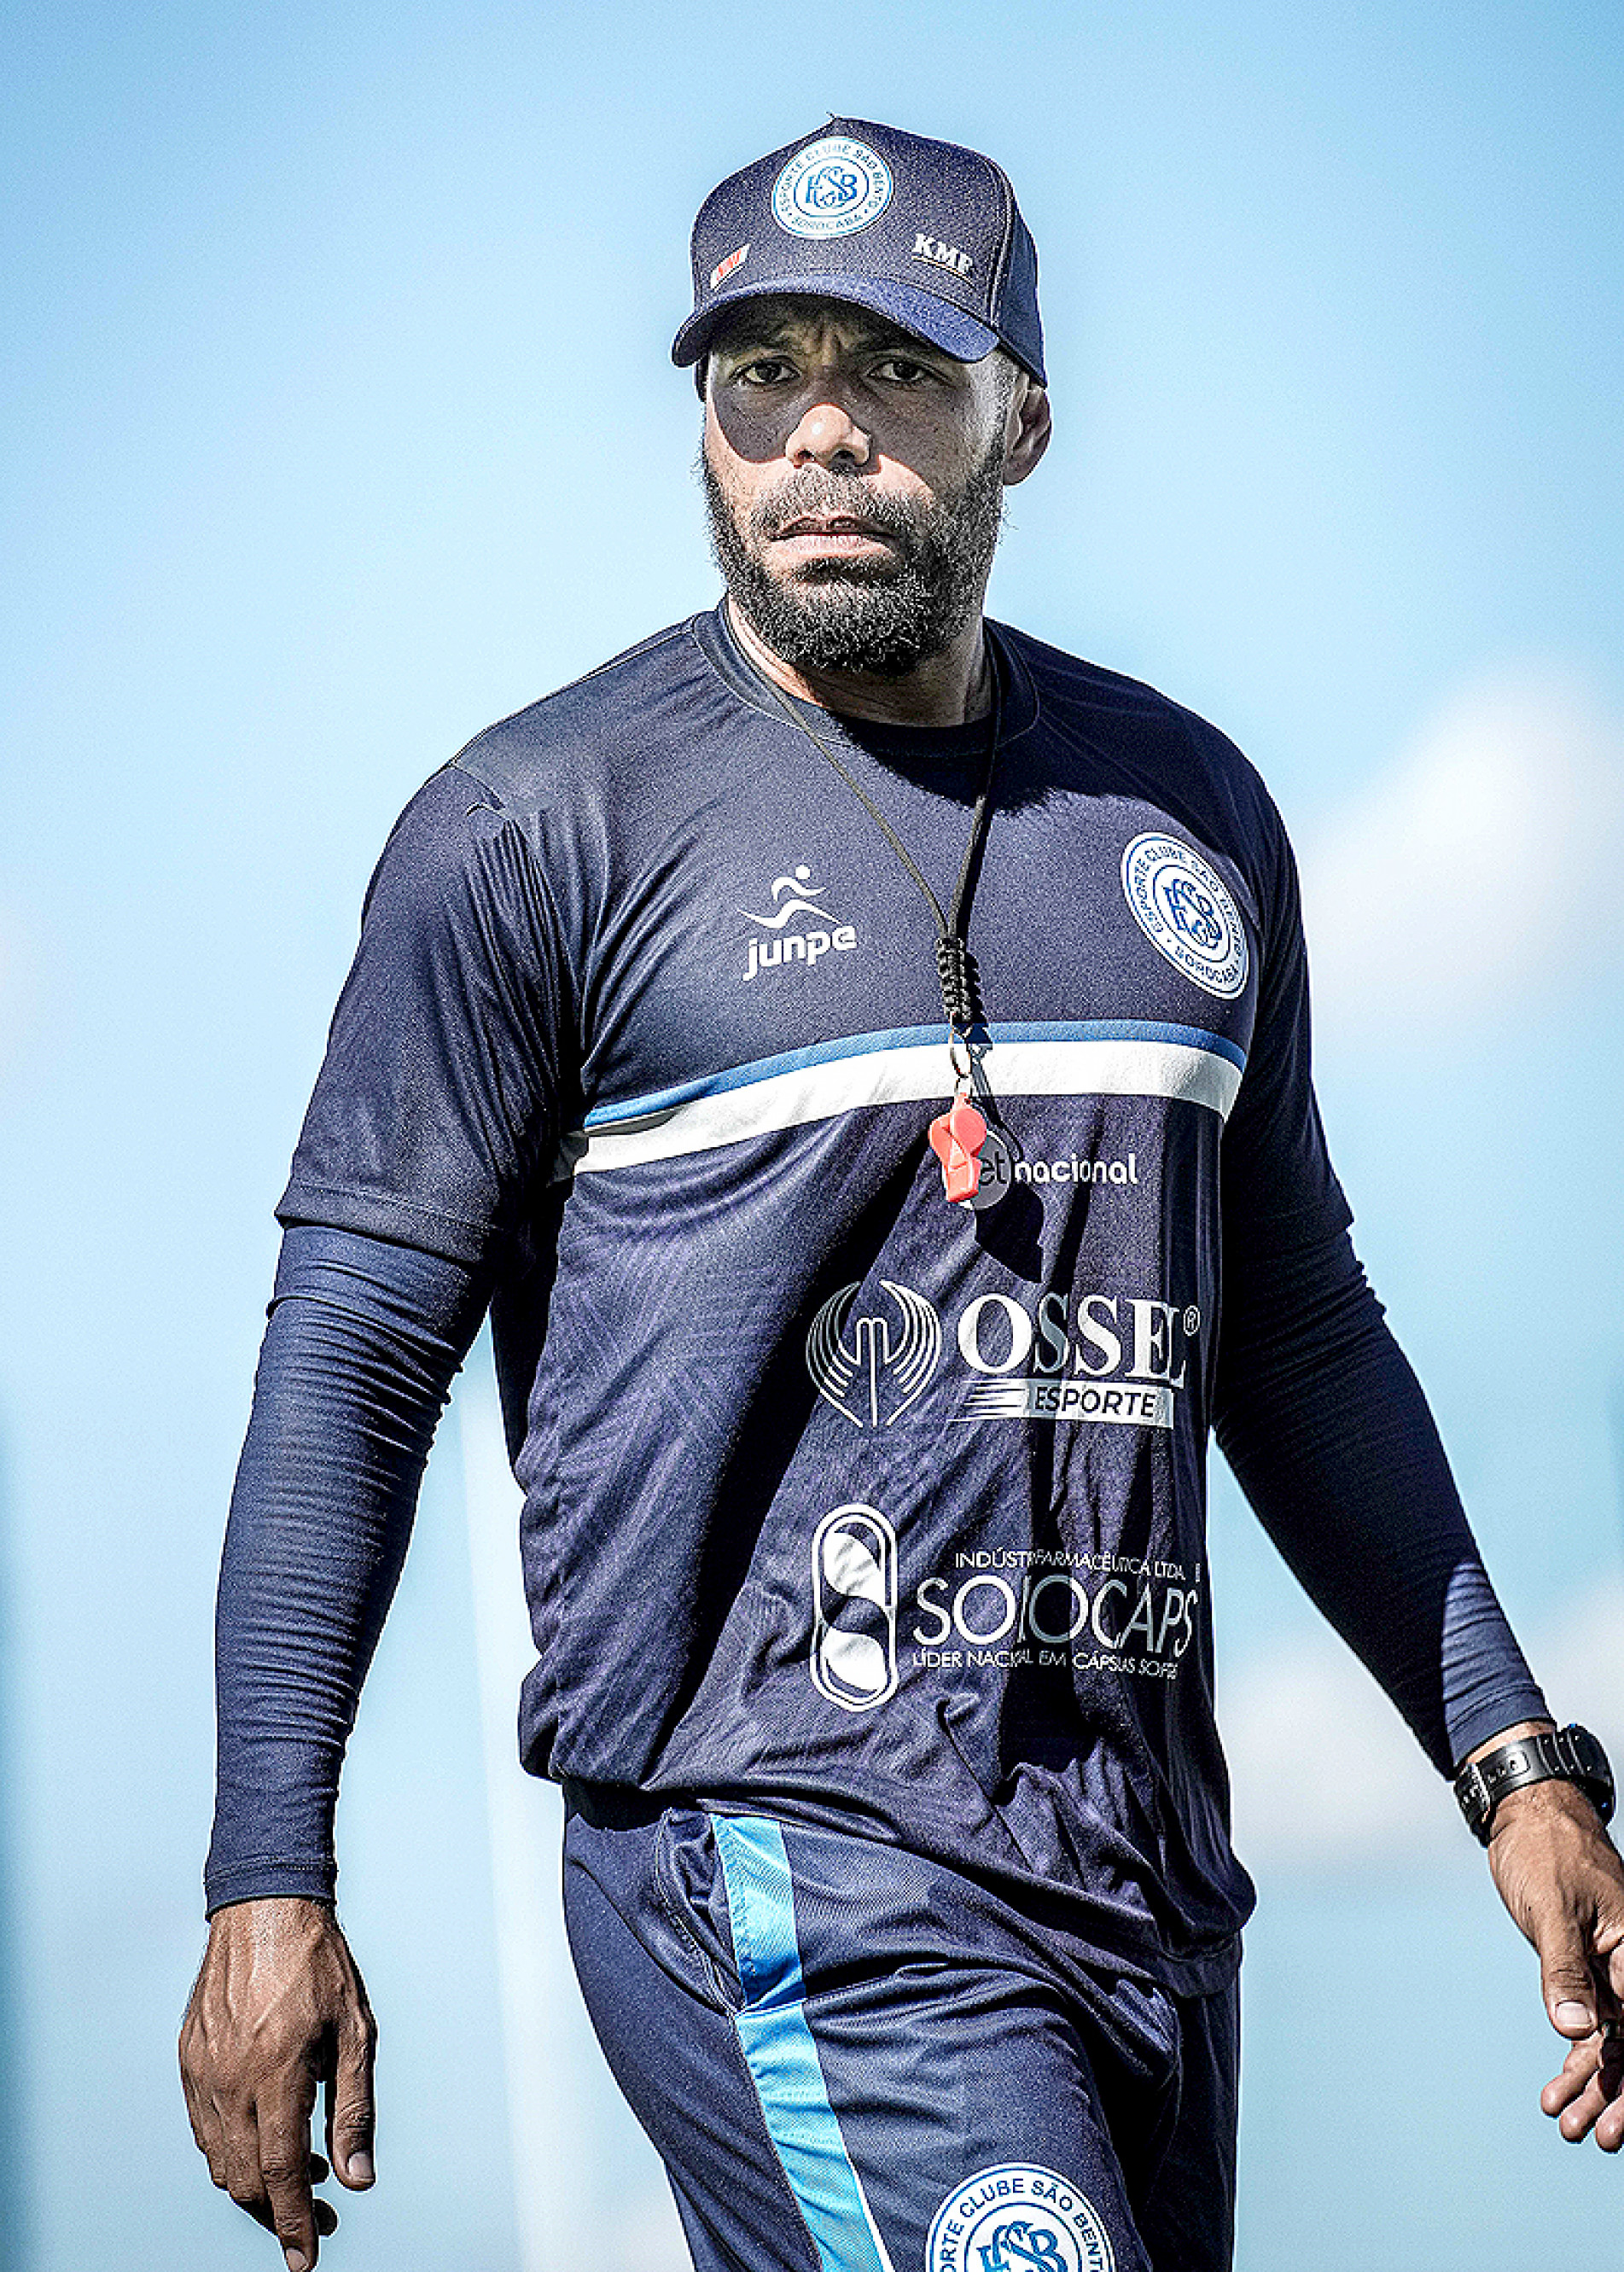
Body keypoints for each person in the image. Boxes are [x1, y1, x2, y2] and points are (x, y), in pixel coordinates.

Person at [179, 118, 1624, 2272]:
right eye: (760, 374)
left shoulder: (1190, 815)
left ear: (1020, 419)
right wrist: (264, 1873)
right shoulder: (530, 828)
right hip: (780, 1855)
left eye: (895, 370)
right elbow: (350, 1356)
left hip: (1145, 1875)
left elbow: (1299, 1328)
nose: (821, 433)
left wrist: (1511, 1753)